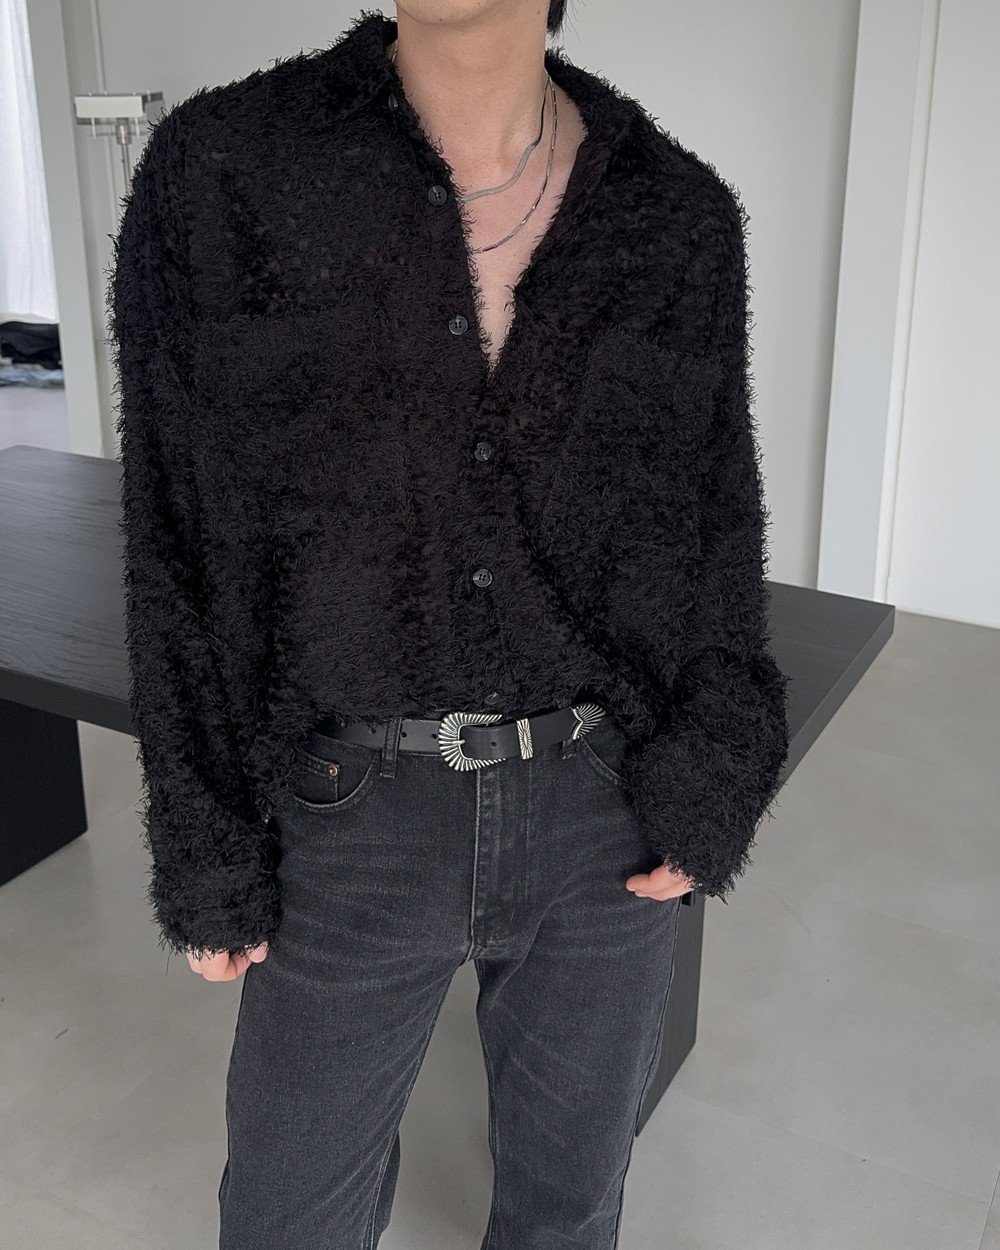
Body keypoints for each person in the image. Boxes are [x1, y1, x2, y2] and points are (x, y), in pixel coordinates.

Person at [108, 2, 790, 1246]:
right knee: (284, 1216)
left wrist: (714, 773)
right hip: (344, 805)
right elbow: (174, 526)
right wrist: (206, 842)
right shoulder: (226, 170)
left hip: (601, 805)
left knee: (568, 1210)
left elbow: (714, 522)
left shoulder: (675, 214)